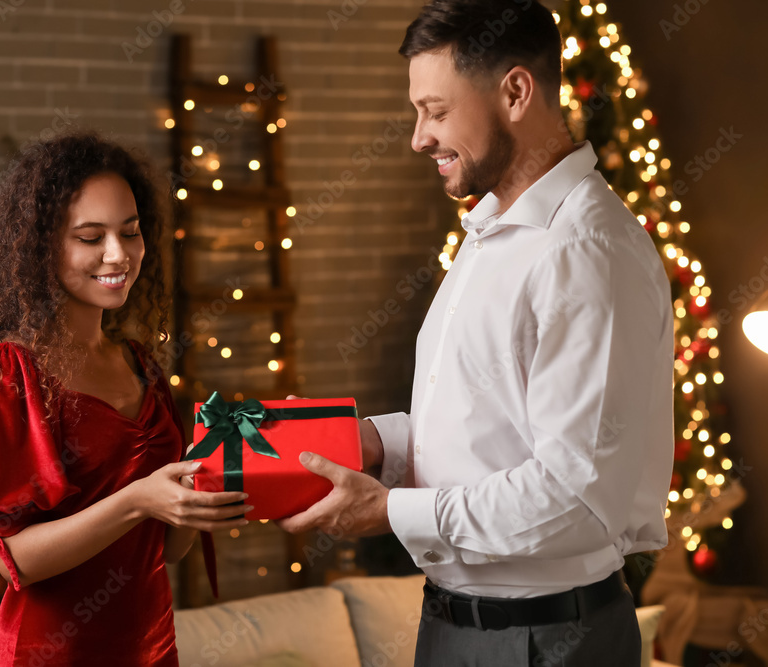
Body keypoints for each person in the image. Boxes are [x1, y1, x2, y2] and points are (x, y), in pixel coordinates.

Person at [279, 1, 674, 664]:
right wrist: (375, 442)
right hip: (453, 628)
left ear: (516, 91)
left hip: (546, 641)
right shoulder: (490, 230)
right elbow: (486, 430)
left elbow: (574, 495)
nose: (418, 137)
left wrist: (391, 512)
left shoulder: (585, 253)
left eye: (435, 110)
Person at [0, 131, 250, 666]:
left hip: (149, 650)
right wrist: (138, 500)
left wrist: (208, 493)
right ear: (40, 248)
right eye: (90, 236)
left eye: (130, 232)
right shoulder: (5, 375)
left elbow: (167, 550)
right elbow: (13, 559)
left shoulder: (141, 365)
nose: (119, 254)